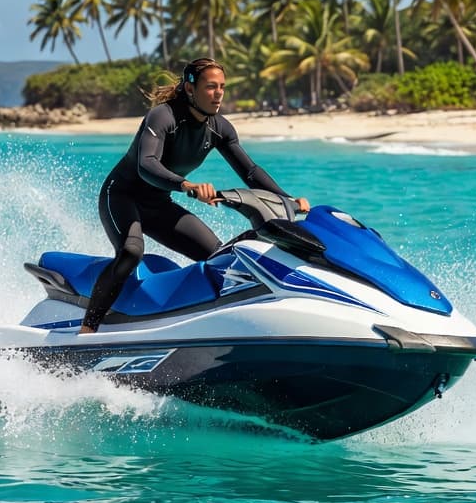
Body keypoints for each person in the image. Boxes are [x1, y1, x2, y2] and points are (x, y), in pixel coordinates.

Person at [80, 57, 310, 334]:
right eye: (211, 87)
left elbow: (249, 172)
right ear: (190, 89)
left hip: (158, 204)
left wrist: (288, 199)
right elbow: (147, 165)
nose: (218, 94)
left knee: (217, 257)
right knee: (131, 252)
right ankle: (88, 329)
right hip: (121, 196)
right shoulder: (163, 116)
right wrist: (186, 185)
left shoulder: (220, 128)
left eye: (222, 87)